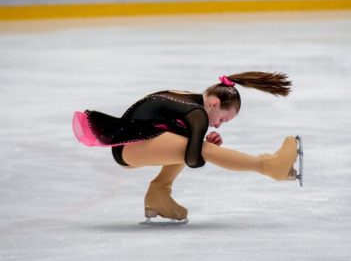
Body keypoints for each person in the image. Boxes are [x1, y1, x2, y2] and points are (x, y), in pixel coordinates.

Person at [73, 71, 299, 222]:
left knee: (195, 143)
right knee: (205, 150)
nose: (219, 125)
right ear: (215, 103)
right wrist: (204, 147)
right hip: (130, 146)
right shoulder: (197, 114)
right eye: (223, 119)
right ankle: (270, 166)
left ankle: (158, 194)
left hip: (130, 144)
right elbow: (193, 159)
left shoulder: (192, 100)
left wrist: (196, 139)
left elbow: (172, 132)